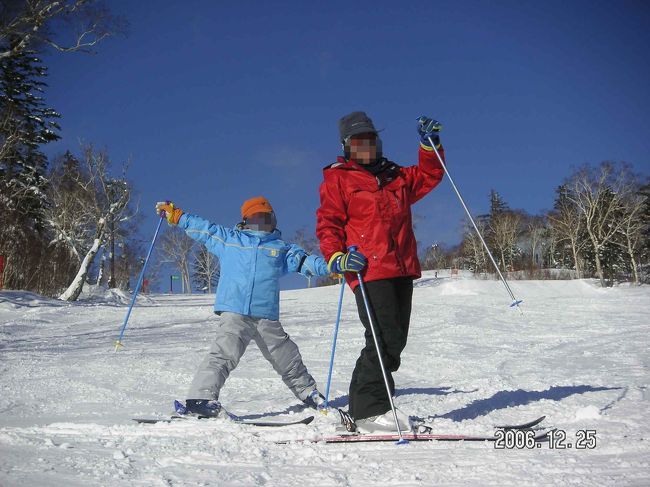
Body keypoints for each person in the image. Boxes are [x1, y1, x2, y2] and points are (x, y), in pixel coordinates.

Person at [316, 111, 445, 432]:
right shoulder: (339, 179)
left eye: (371, 141)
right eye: (358, 143)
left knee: (394, 341)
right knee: (382, 337)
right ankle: (371, 410)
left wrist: (431, 146)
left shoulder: (395, 176)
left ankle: (365, 405)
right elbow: (328, 222)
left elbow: (430, 176)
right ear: (346, 147)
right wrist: (336, 256)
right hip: (367, 269)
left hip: (402, 267)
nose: (366, 148)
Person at [156, 196, 330, 417]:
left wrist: (332, 265)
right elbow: (204, 229)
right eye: (256, 219)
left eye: (266, 219)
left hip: (265, 314)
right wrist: (178, 216)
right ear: (246, 221)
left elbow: (306, 262)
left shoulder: (281, 248)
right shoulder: (230, 239)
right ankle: (200, 398)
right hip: (235, 310)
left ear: (273, 220)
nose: (262, 223)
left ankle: (308, 392)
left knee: (285, 354)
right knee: (223, 354)